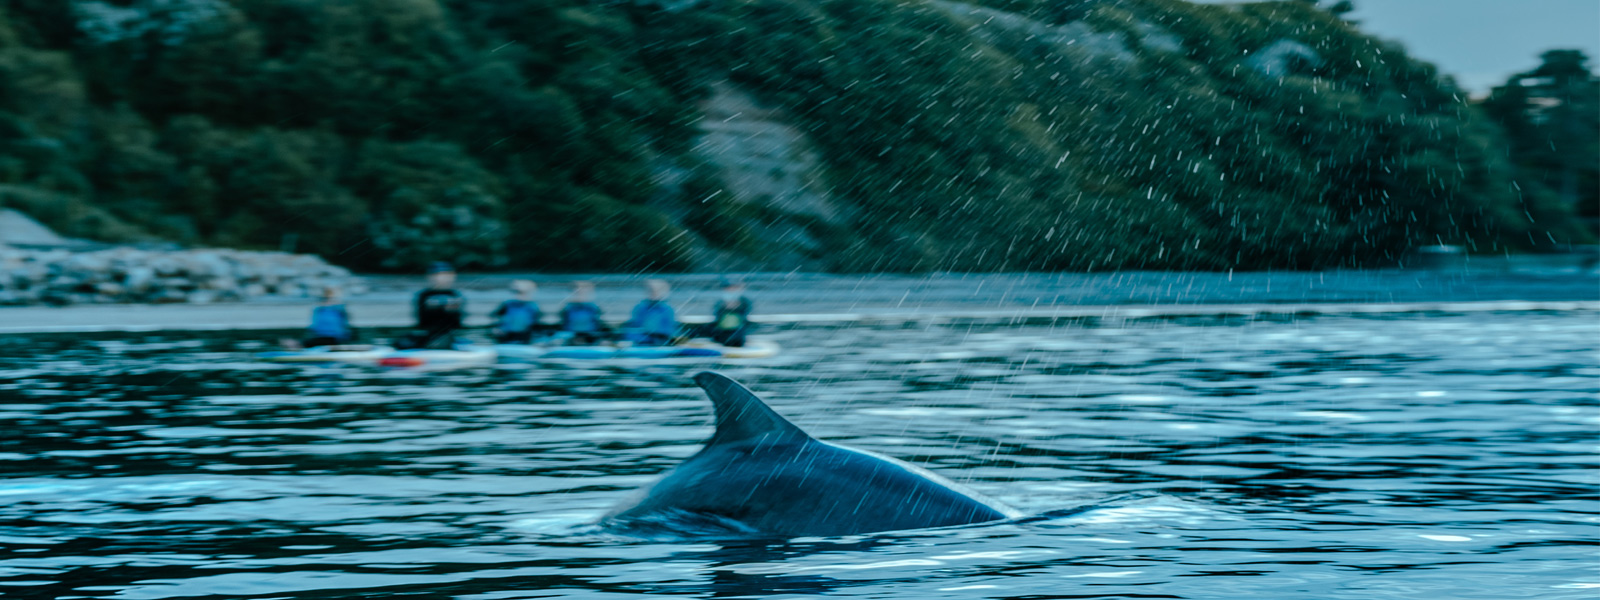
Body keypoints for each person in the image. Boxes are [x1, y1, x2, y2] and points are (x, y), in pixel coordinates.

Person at [397, 262, 466, 350]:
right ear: (430, 277)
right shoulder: (424, 295)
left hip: (446, 334)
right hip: (428, 332)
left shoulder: (455, 295)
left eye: (445, 275)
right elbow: (421, 318)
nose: (440, 279)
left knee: (438, 342)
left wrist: (444, 309)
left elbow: (458, 322)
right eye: (437, 275)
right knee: (403, 340)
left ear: (452, 276)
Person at [287, 286, 354, 349]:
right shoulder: (319, 309)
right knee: (307, 342)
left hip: (333, 338)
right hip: (322, 336)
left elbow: (344, 325)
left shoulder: (338, 309)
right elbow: (314, 325)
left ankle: (296, 345)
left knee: (302, 343)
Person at [623, 279, 677, 346]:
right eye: (650, 290)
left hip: (661, 342)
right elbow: (634, 327)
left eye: (657, 290)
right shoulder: (640, 308)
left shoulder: (667, 309)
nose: (653, 293)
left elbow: (669, 330)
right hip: (643, 343)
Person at [491, 279, 542, 344]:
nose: (519, 296)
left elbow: (535, 321)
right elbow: (496, 316)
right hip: (507, 333)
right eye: (517, 292)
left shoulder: (532, 306)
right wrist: (498, 328)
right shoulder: (508, 304)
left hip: (524, 334)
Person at [706, 277, 753, 347]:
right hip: (722, 332)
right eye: (728, 288)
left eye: (733, 288)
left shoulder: (744, 301)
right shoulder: (720, 302)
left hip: (737, 333)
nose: (731, 290)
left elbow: (745, 315)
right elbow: (717, 316)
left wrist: (736, 308)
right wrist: (724, 308)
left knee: (735, 334)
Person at [559, 281, 606, 345]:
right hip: (571, 336)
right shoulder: (568, 308)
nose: (581, 294)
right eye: (578, 292)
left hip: (590, 336)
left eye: (584, 292)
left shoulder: (593, 308)